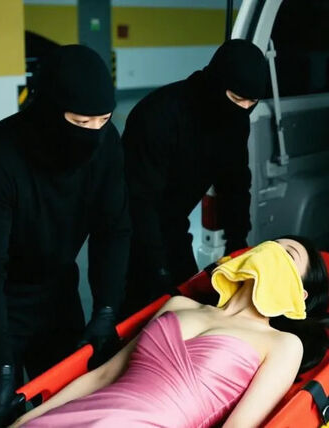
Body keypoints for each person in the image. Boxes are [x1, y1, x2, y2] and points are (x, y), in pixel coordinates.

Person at [0, 45, 130, 427]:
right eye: (81, 122)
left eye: (103, 120)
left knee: (70, 400)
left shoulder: (107, 143)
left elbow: (113, 230)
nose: (94, 134)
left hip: (55, 288)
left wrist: (106, 309)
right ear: (48, 109)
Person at [10, 236, 329, 428]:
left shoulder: (283, 344)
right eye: (270, 245)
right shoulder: (179, 305)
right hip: (82, 414)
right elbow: (104, 375)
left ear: (300, 295)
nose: (271, 252)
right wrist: (27, 418)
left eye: (287, 254)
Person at [121, 39, 269, 316]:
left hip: (174, 225)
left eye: (252, 102)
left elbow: (235, 182)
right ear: (216, 82)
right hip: (129, 228)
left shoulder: (237, 118)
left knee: (187, 301)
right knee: (138, 310)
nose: (244, 108)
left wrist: (238, 241)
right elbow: (140, 201)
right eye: (237, 99)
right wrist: (158, 269)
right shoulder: (158, 115)